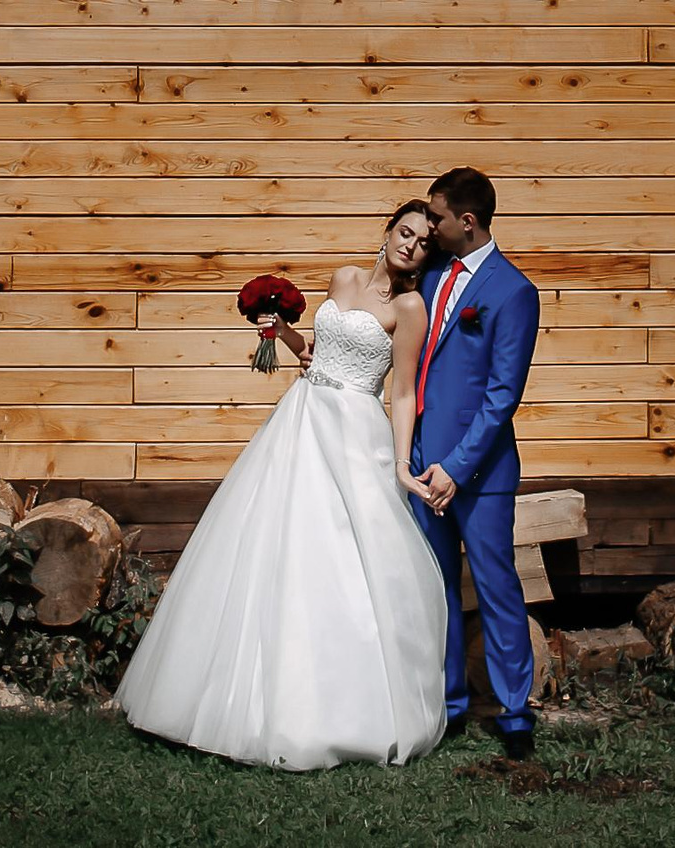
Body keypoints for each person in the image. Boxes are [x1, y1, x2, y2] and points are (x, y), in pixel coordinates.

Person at [113, 201, 448, 769]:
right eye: (404, 232)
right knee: (267, 545)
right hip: (302, 416)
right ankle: (231, 702)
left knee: (339, 560)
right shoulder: (342, 278)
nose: (410, 245)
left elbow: (401, 392)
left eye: (421, 242)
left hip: (353, 432)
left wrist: (397, 464)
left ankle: (334, 711)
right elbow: (315, 355)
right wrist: (282, 330)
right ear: (388, 231)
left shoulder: (410, 307)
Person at [410, 166, 541, 760]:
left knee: (496, 588)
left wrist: (456, 469)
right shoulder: (430, 275)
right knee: (435, 589)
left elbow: (501, 395)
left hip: (480, 474)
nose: (428, 225)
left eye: (435, 217)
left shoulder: (514, 292)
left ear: (467, 221)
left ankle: (515, 711)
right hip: (421, 465)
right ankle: (449, 705)